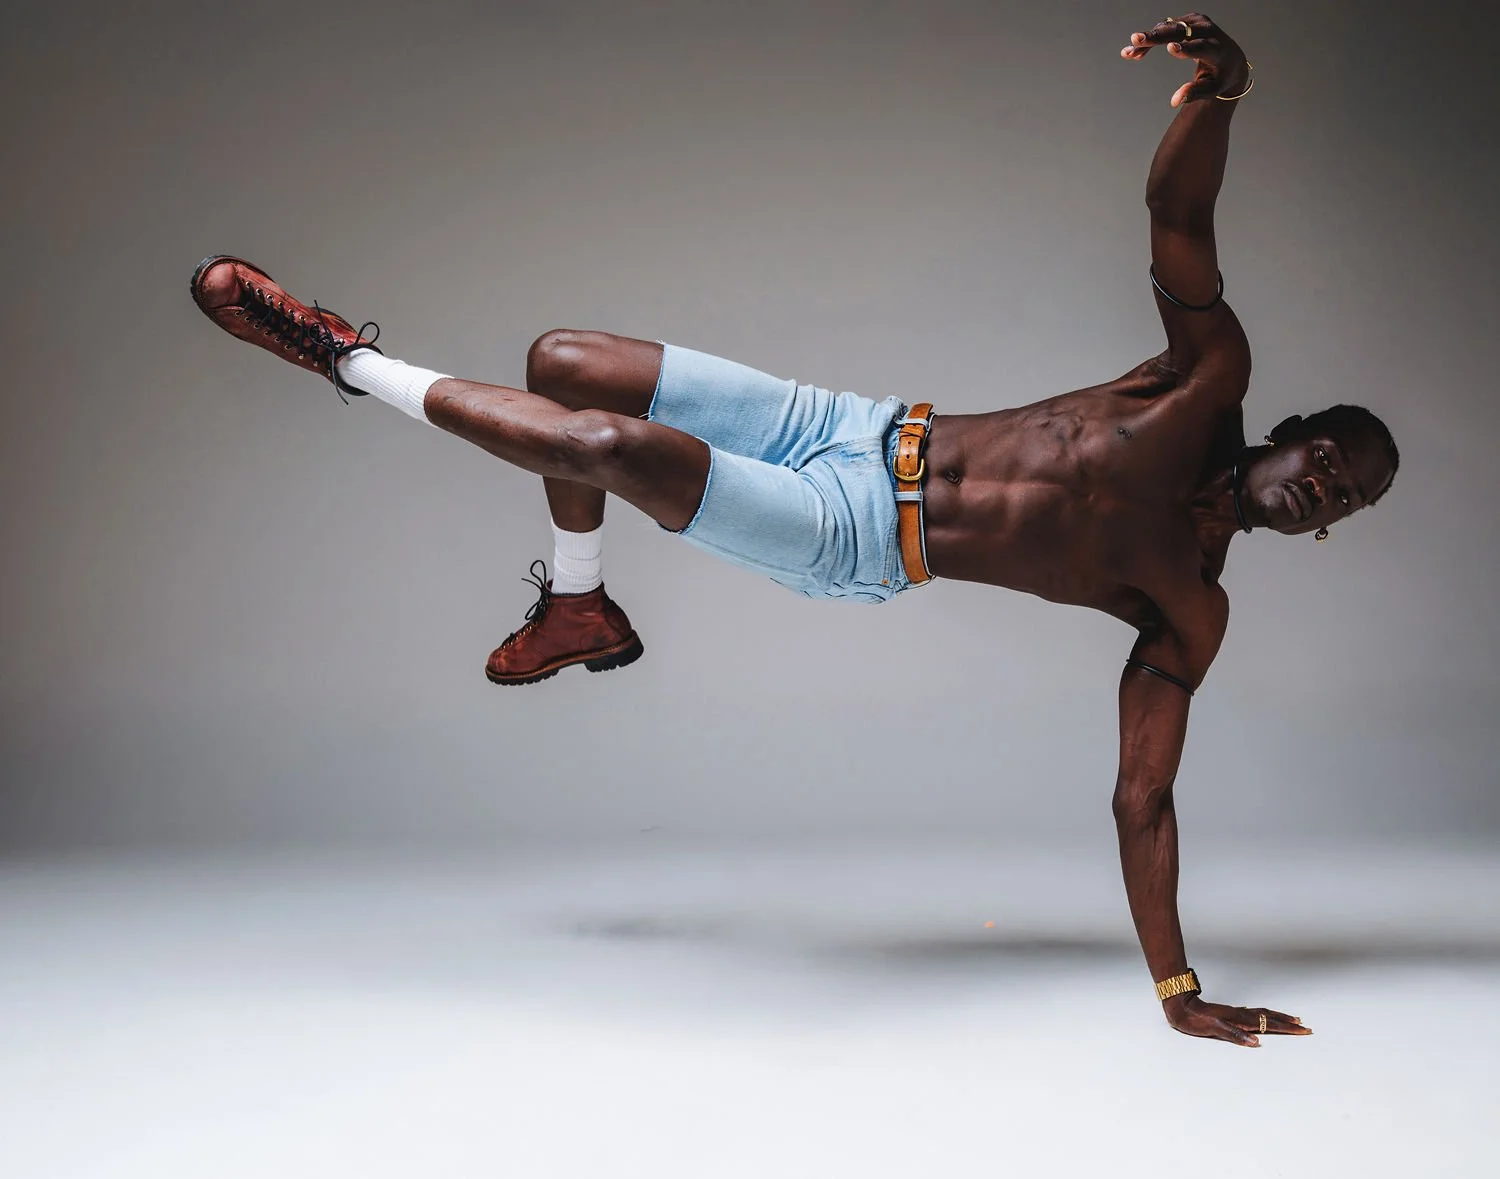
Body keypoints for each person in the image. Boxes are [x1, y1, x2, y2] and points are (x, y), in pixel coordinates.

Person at [190, 13, 1396, 1045]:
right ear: (1292, 432)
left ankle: (341, 358)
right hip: (854, 426)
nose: (1324, 490)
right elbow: (1177, 215)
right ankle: (579, 604)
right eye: (1330, 460)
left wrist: (1180, 989)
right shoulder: (1202, 382)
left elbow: (1142, 798)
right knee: (564, 362)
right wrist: (1222, 93)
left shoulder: (1189, 602)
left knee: (607, 446)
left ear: (1327, 531)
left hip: (854, 537)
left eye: (1345, 499)